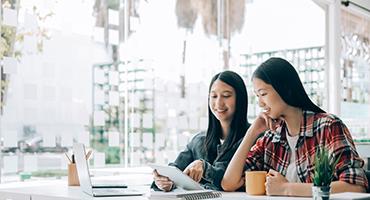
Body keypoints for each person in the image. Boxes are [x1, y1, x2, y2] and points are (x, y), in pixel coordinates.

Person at [221, 57, 368, 196]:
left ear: (284, 89)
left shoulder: (328, 127)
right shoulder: (270, 138)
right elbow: (229, 183)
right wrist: (252, 132)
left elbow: (355, 186)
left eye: (263, 94)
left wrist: (286, 189)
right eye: (257, 96)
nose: (260, 103)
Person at [152, 70, 251, 191]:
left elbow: (228, 178)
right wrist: (163, 180)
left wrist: (204, 167)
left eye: (226, 96)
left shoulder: (253, 138)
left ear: (240, 99)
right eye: (214, 96)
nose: (218, 103)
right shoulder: (199, 141)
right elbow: (175, 169)